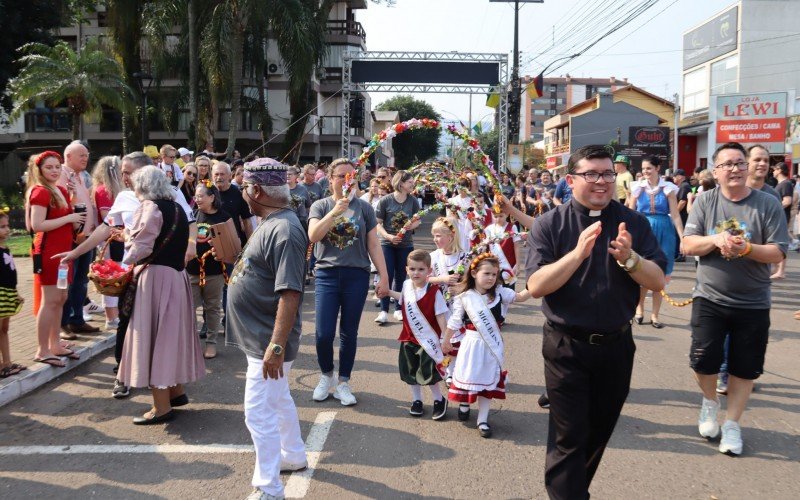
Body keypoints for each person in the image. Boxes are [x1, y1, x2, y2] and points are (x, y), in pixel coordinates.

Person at [525, 145, 667, 499]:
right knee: (570, 435)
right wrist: (577, 255)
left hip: (617, 346)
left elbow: (657, 281)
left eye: (607, 174)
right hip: (566, 346)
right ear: (571, 180)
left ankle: (572, 491)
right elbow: (536, 285)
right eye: (592, 174)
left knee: (598, 432)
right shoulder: (550, 224)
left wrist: (630, 258)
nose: (602, 181)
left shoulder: (632, 223)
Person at [57, 151, 197, 399]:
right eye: (122, 171)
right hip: (135, 274)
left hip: (152, 271)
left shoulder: (165, 198)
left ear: (144, 171)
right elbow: (106, 228)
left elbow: (188, 222)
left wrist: (191, 244)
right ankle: (126, 376)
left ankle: (166, 387)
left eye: (128, 171)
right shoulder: (124, 197)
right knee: (129, 325)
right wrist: (76, 252)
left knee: (160, 330)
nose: (124, 176)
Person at [682, 142, 789, 456]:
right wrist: (715, 239)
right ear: (715, 172)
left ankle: (732, 424)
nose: (735, 169)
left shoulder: (767, 204)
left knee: (745, 369)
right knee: (702, 360)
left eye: (740, 163)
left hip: (753, 301)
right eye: (727, 164)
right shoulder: (704, 201)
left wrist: (746, 249)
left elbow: (779, 250)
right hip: (709, 297)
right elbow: (687, 245)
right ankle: (709, 403)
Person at [224, 157, 309, 500]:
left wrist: (275, 347)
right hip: (260, 338)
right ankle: (294, 454)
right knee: (279, 400)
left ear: (256, 190)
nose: (243, 193)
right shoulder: (270, 221)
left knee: (258, 413)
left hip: (267, 343)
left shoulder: (285, 230)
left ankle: (269, 488)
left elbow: (290, 293)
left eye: (244, 187)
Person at [114, 166, 204, 424]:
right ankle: (177, 392)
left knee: (155, 339)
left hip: (155, 279)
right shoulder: (176, 208)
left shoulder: (149, 208)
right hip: (176, 278)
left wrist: (126, 241)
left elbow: (139, 248)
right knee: (171, 336)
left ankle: (161, 407)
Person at [308, 158, 389, 405]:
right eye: (340, 175)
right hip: (327, 275)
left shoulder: (364, 208)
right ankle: (325, 376)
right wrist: (335, 211)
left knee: (349, 333)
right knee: (323, 333)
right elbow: (314, 235)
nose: (345, 180)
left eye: (350, 176)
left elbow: (373, 244)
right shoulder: (320, 206)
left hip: (357, 275)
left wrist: (384, 276)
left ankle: (343, 382)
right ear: (330, 179)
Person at [443, 253, 531, 438]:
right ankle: (464, 403)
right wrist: (446, 341)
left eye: (494, 274)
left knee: (487, 382)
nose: (491, 278)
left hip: (491, 346)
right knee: (468, 376)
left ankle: (482, 420)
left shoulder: (500, 292)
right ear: (474, 273)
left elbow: (521, 297)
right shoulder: (464, 296)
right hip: (470, 344)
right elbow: (455, 321)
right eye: (487, 273)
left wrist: (537, 281)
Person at [27, 151, 86, 368]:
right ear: (39, 170)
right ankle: (42, 349)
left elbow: (70, 221)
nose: (54, 170)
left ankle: (55, 343)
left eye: (57, 167)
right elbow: (37, 225)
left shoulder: (59, 190)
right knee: (49, 300)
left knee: (60, 298)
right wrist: (68, 217)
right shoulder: (40, 192)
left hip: (64, 253)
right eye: (49, 167)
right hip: (49, 253)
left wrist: (72, 202)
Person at [387, 249, 449, 419]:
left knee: (429, 373)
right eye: (412, 269)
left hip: (428, 340)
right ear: (407, 269)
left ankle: (439, 399)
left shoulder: (434, 291)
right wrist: (388, 292)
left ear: (429, 271)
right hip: (408, 337)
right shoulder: (406, 286)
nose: (416, 273)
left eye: (421, 269)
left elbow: (440, 315)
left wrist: (445, 337)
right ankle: (417, 400)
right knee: (411, 371)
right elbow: (403, 299)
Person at [628, 156, 684, 328]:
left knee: (661, 271)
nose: (645, 172)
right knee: (643, 269)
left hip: (665, 230)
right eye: (644, 169)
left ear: (657, 168)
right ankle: (639, 309)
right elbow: (630, 212)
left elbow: (675, 214)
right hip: (644, 229)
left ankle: (655, 315)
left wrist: (683, 238)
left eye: (649, 168)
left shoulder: (668, 188)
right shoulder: (637, 187)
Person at [58, 141, 100, 339]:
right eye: (81, 155)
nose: (86, 158)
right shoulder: (61, 175)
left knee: (81, 281)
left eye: (86, 155)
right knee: (68, 281)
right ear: (68, 157)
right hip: (72, 239)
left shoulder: (81, 176)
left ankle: (77, 320)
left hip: (86, 237)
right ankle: (63, 323)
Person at [187, 181, 231, 360]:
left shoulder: (224, 217)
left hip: (215, 272)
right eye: (195, 196)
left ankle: (211, 342)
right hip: (192, 271)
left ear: (212, 197)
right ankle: (189, 343)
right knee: (188, 308)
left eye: (201, 196)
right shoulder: (192, 216)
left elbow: (232, 247)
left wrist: (222, 251)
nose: (197, 199)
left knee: (212, 308)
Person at [375, 170, 422, 324]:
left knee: (401, 277)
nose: (412, 184)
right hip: (387, 244)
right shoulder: (385, 201)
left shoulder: (413, 201)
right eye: (410, 182)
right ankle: (383, 310)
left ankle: (398, 309)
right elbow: (378, 223)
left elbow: (418, 221)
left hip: (406, 244)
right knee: (386, 275)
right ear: (401, 183)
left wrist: (410, 226)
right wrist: (388, 236)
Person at [91, 155, 124, 331]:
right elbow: (107, 218)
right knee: (111, 277)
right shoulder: (104, 190)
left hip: (117, 238)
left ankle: (114, 314)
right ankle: (111, 317)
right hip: (111, 240)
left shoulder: (113, 190)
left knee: (117, 276)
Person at [0, 212, 26, 378]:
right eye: (2, 227)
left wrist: (15, 293)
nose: (7, 229)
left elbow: (10, 274)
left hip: (8, 293)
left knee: (4, 329)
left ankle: (7, 362)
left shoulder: (6, 248)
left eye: (7, 225)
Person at [212, 162, 253, 246]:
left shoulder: (238, 193)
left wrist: (250, 244)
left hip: (234, 240)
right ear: (212, 175)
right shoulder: (207, 192)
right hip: (212, 241)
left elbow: (247, 220)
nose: (219, 177)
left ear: (230, 176)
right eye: (216, 174)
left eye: (222, 174)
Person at [484, 210, 522, 290]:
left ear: (506, 215)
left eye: (501, 216)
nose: (498, 219)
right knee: (493, 290)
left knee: (509, 289)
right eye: (495, 216)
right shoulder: (488, 229)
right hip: (494, 266)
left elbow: (517, 246)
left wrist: (518, 265)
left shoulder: (512, 227)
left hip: (509, 265)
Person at [770, 162, 792, 279]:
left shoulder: (786, 183)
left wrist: (775, 208)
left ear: (779, 170)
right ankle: (776, 268)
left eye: (774, 169)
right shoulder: (781, 184)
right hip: (779, 216)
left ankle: (781, 271)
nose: (773, 171)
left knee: (781, 243)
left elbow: (788, 200)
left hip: (783, 216)